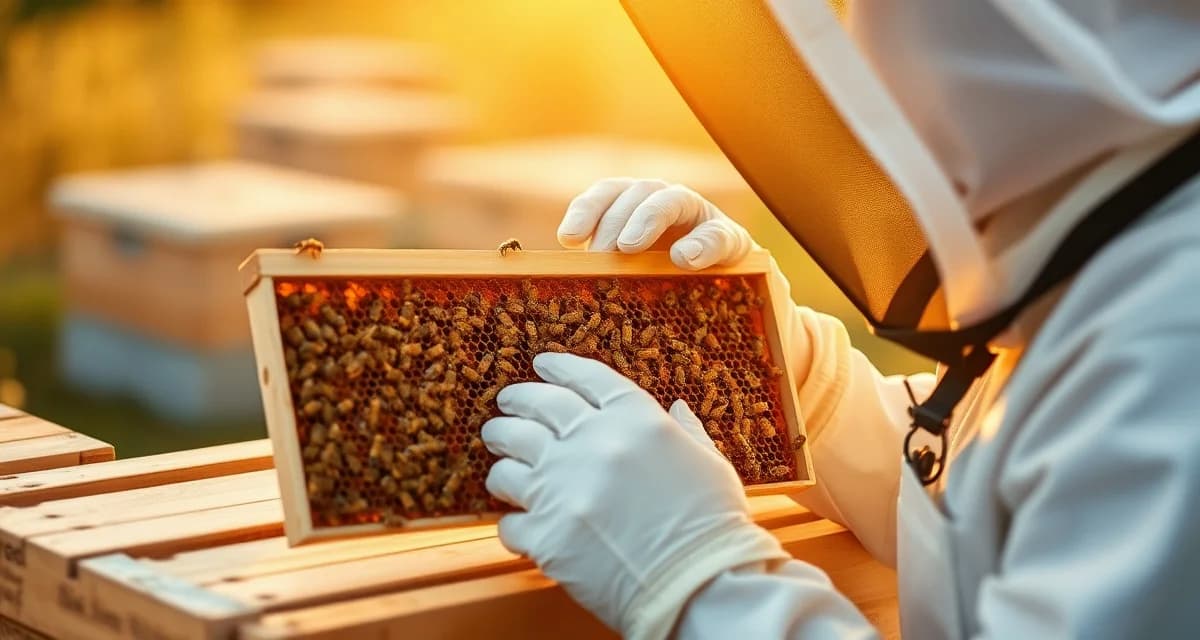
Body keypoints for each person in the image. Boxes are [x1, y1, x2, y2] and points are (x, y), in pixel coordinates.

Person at [481, 2, 1200, 638]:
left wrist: (693, 578)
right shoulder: (1129, 259)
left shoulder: (1174, 339)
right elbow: (1001, 488)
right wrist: (773, 373)